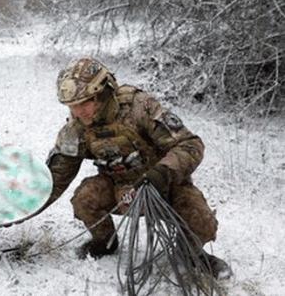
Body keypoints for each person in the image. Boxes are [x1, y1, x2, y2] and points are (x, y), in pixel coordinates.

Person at [45, 56, 232, 279]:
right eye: (72, 106)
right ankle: (105, 242)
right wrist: (18, 210)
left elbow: (190, 144)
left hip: (164, 186)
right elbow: (55, 178)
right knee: (85, 198)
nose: (78, 112)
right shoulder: (76, 128)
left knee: (200, 219)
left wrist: (161, 173)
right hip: (120, 190)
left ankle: (191, 254)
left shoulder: (139, 108)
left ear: (102, 94)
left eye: (84, 103)